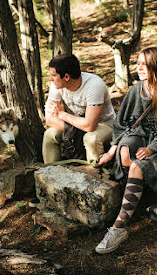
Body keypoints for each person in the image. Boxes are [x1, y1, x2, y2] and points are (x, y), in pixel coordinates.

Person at [94, 47, 157, 254]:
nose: (138, 68)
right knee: (125, 153)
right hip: (142, 142)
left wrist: (152, 148)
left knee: (137, 167)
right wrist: (113, 151)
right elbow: (122, 125)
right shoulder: (136, 90)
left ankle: (119, 227)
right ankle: (140, 193)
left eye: (144, 64)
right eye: (137, 63)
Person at [29, 53, 115, 207]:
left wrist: (62, 114)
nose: (50, 79)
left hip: (105, 125)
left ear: (66, 77)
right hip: (78, 125)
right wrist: (74, 125)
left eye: (53, 75)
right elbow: (49, 120)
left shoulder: (94, 85)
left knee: (91, 138)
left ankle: (95, 189)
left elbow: (91, 126)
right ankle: (50, 186)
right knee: (50, 134)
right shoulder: (57, 85)